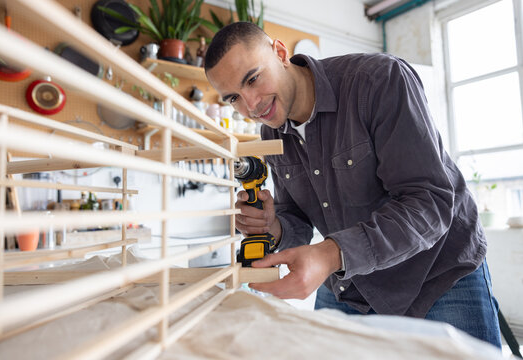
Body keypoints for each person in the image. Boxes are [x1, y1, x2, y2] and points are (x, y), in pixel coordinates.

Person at [204, 22, 502, 349]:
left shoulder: (379, 81)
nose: (251, 106)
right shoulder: (272, 134)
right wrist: (273, 226)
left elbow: (428, 203)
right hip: (352, 287)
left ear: (279, 52)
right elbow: (298, 220)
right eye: (234, 97)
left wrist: (331, 255)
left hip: (436, 276)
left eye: (253, 78)